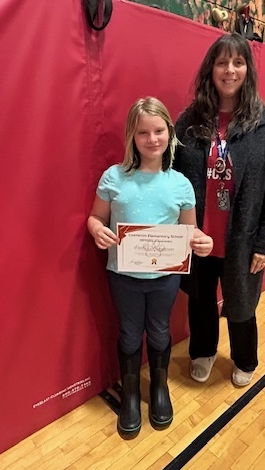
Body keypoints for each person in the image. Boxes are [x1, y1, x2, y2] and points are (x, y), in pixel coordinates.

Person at [87, 97, 213, 439]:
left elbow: (190, 230)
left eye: (158, 131)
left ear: (169, 134)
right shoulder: (114, 177)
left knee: (158, 332)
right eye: (143, 132)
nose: (152, 138)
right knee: (129, 333)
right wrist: (98, 230)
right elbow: (95, 217)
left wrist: (203, 241)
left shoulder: (180, 184)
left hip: (165, 278)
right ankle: (130, 394)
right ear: (132, 135)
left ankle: (159, 388)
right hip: (123, 277)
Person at [173, 33, 265, 388]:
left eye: (238, 63)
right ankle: (203, 352)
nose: (229, 70)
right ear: (211, 69)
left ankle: (245, 358)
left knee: (241, 305)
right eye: (222, 62)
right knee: (200, 300)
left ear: (247, 70)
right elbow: (171, 178)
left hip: (243, 239)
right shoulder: (189, 121)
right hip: (198, 238)